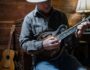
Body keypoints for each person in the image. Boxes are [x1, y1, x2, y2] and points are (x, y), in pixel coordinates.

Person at [19, 0, 87, 70]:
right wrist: (43, 44)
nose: (46, 5)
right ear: (36, 2)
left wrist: (77, 35)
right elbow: (24, 44)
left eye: (48, 1)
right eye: (42, 2)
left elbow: (68, 43)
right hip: (42, 60)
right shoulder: (29, 19)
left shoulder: (61, 16)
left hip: (64, 57)